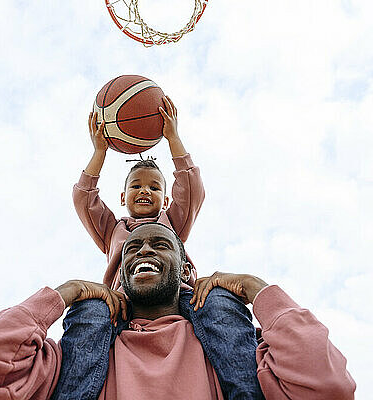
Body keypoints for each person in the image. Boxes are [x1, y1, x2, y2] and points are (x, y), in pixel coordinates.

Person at [0, 223, 356, 400]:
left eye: (160, 244)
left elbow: (327, 388)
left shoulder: (235, 352)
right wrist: (63, 294)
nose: (144, 249)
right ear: (119, 271)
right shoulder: (74, 358)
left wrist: (258, 290)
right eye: (132, 247)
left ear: (185, 269)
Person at [69, 96, 261, 399]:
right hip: (124, 301)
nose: (145, 190)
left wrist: (173, 137)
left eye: (155, 187)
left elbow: (192, 188)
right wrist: (99, 152)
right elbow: (84, 198)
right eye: (136, 186)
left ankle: (246, 388)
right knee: (88, 318)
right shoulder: (113, 230)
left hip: (179, 296)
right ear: (122, 198)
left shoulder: (172, 222)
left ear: (166, 199)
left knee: (220, 306)